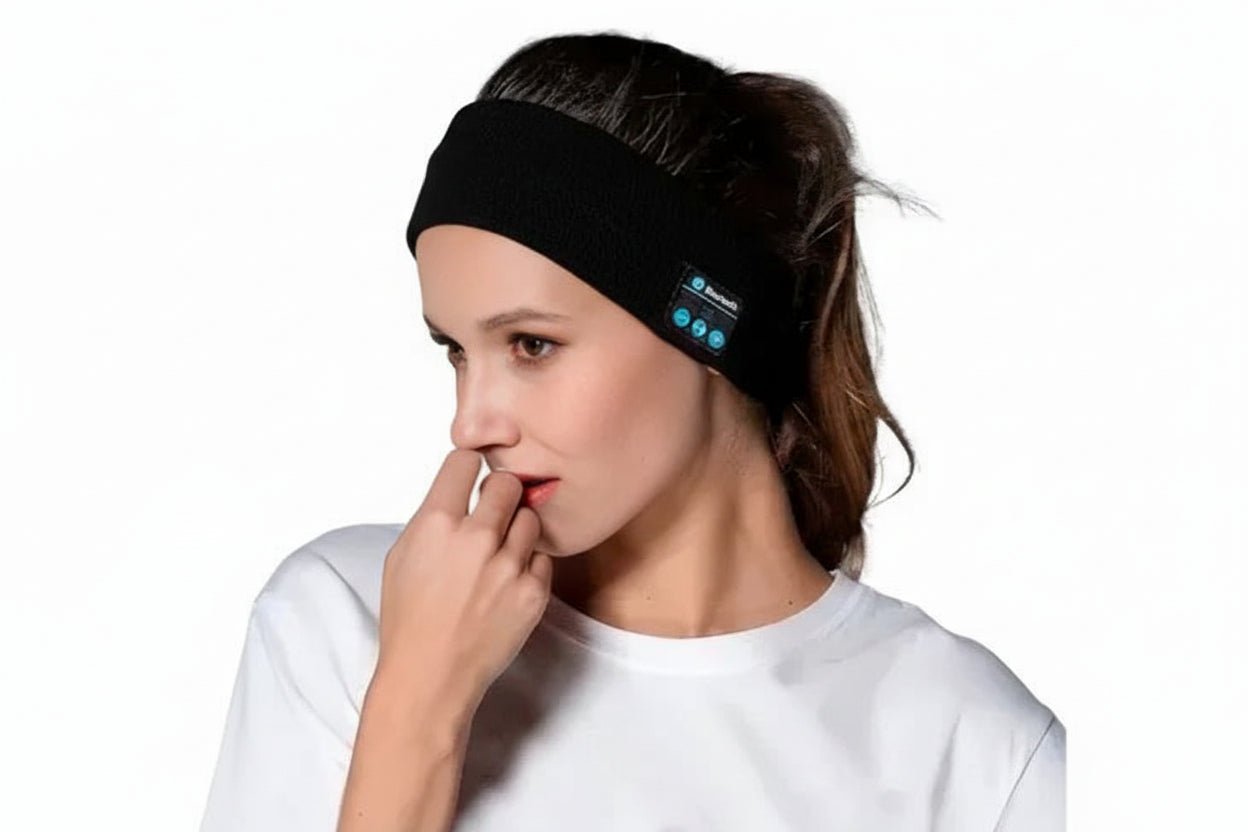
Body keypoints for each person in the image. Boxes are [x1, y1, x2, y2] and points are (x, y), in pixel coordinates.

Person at [198, 31, 1065, 832]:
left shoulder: (973, 746)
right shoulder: (348, 619)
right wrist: (418, 704)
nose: (470, 424)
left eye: (531, 345)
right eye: (455, 351)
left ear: (707, 328)